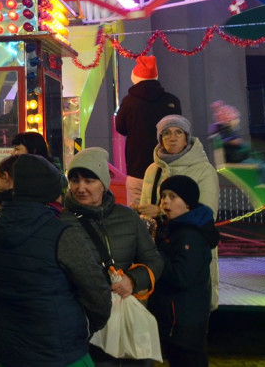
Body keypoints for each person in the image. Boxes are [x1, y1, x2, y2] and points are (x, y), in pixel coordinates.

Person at [0, 154, 111, 367]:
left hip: (9, 351)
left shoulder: (0, 227)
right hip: (59, 352)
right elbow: (97, 295)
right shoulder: (61, 232)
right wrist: (88, 326)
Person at [60, 147, 164, 367]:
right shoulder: (61, 221)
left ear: (104, 183)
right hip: (84, 324)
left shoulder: (128, 217)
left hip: (126, 319)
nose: (81, 188)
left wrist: (133, 280)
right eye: (75, 181)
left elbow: (154, 260)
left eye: (89, 181)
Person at [138, 114, 220, 309]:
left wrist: (160, 210)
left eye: (178, 132)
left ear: (187, 137)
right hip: (159, 249)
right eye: (166, 133)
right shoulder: (152, 169)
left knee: (189, 314)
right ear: (160, 139)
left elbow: (206, 213)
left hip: (191, 249)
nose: (172, 137)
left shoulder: (203, 170)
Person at [150, 176, 220, 367]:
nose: (165, 201)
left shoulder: (190, 235)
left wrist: (155, 253)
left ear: (188, 202)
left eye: (173, 197)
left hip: (184, 321)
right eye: (163, 196)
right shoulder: (175, 228)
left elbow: (181, 277)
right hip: (177, 318)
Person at [115, 55, 182, 206]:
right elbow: (180, 130)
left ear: (135, 77)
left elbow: (121, 128)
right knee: (167, 210)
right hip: (167, 168)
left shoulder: (129, 102)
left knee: (138, 214)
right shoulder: (172, 101)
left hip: (137, 170)